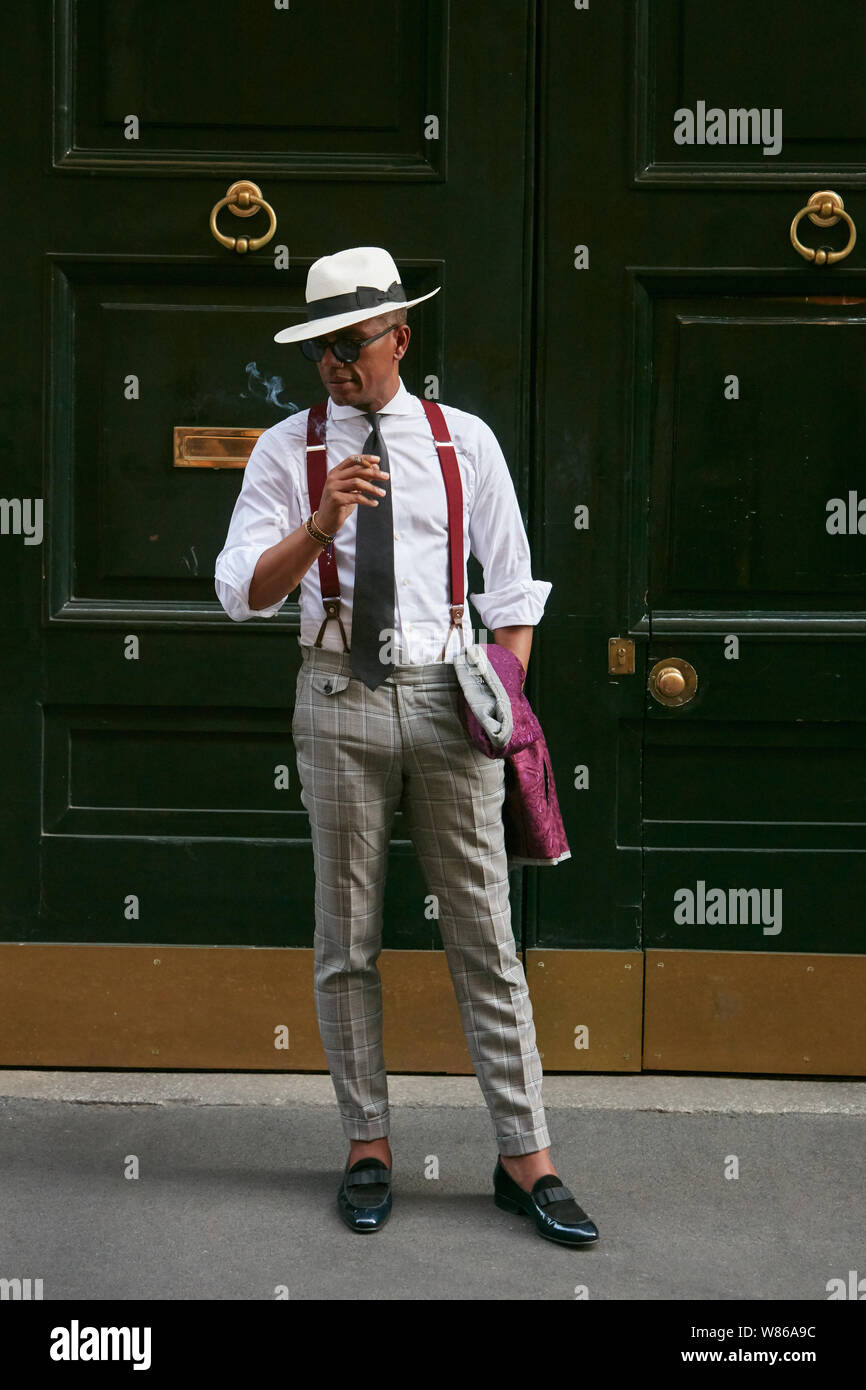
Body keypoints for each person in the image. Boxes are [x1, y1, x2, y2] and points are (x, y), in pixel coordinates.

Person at [214, 247, 598, 1247]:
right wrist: (319, 521)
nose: (336, 363)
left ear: (399, 337)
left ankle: (526, 1158)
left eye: (351, 342)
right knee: (346, 935)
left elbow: (513, 593)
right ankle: (366, 1145)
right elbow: (244, 594)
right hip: (335, 692)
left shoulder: (460, 441)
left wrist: (497, 701)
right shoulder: (283, 452)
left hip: (446, 701)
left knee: (483, 932)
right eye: (320, 349)